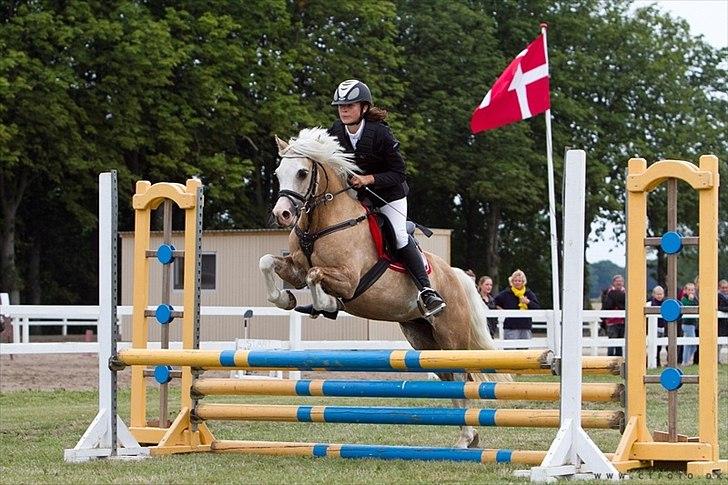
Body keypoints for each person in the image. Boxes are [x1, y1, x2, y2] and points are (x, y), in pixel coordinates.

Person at [327, 79, 445, 317]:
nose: (344, 110)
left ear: (364, 108)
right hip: (358, 196)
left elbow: (399, 172)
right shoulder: (335, 132)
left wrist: (368, 179)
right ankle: (330, 298)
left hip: (390, 195)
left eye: (350, 105)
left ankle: (427, 291)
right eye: (341, 106)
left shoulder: (380, 133)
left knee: (399, 235)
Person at [493, 269, 540, 340]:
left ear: (523, 282)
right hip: (511, 327)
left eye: (519, 281)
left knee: (525, 350)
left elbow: (537, 307)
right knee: (511, 350)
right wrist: (500, 309)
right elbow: (494, 302)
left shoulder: (528, 293)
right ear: (512, 282)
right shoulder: (506, 293)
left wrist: (528, 302)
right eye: (515, 281)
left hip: (525, 327)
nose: (517, 283)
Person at [603, 274, 626, 357]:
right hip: (612, 322)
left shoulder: (625, 293)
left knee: (619, 343)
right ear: (613, 282)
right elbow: (607, 306)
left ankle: (619, 363)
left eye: (620, 281)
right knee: (612, 342)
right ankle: (609, 362)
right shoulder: (609, 293)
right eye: (617, 281)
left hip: (622, 321)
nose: (619, 283)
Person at [647, 285, 666, 366]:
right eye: (658, 294)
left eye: (661, 294)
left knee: (663, 346)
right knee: (654, 347)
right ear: (654, 294)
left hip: (663, 327)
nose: (659, 296)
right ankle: (656, 362)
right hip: (654, 328)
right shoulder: (650, 303)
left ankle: (665, 362)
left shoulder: (666, 303)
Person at [680, 282, 699, 366]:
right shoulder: (684, 299)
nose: (691, 291)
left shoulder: (695, 298)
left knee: (689, 344)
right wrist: (691, 300)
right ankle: (685, 361)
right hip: (687, 324)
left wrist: (694, 299)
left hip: (692, 324)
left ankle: (686, 361)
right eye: (689, 290)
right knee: (692, 344)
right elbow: (687, 307)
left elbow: (698, 305)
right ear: (685, 291)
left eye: (692, 290)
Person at [718, 279, 728, 363]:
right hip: (720, 323)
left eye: (726, 288)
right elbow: (718, 307)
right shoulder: (718, 296)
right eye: (723, 288)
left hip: (726, 322)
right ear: (719, 288)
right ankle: (718, 359)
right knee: (719, 342)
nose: (725, 289)